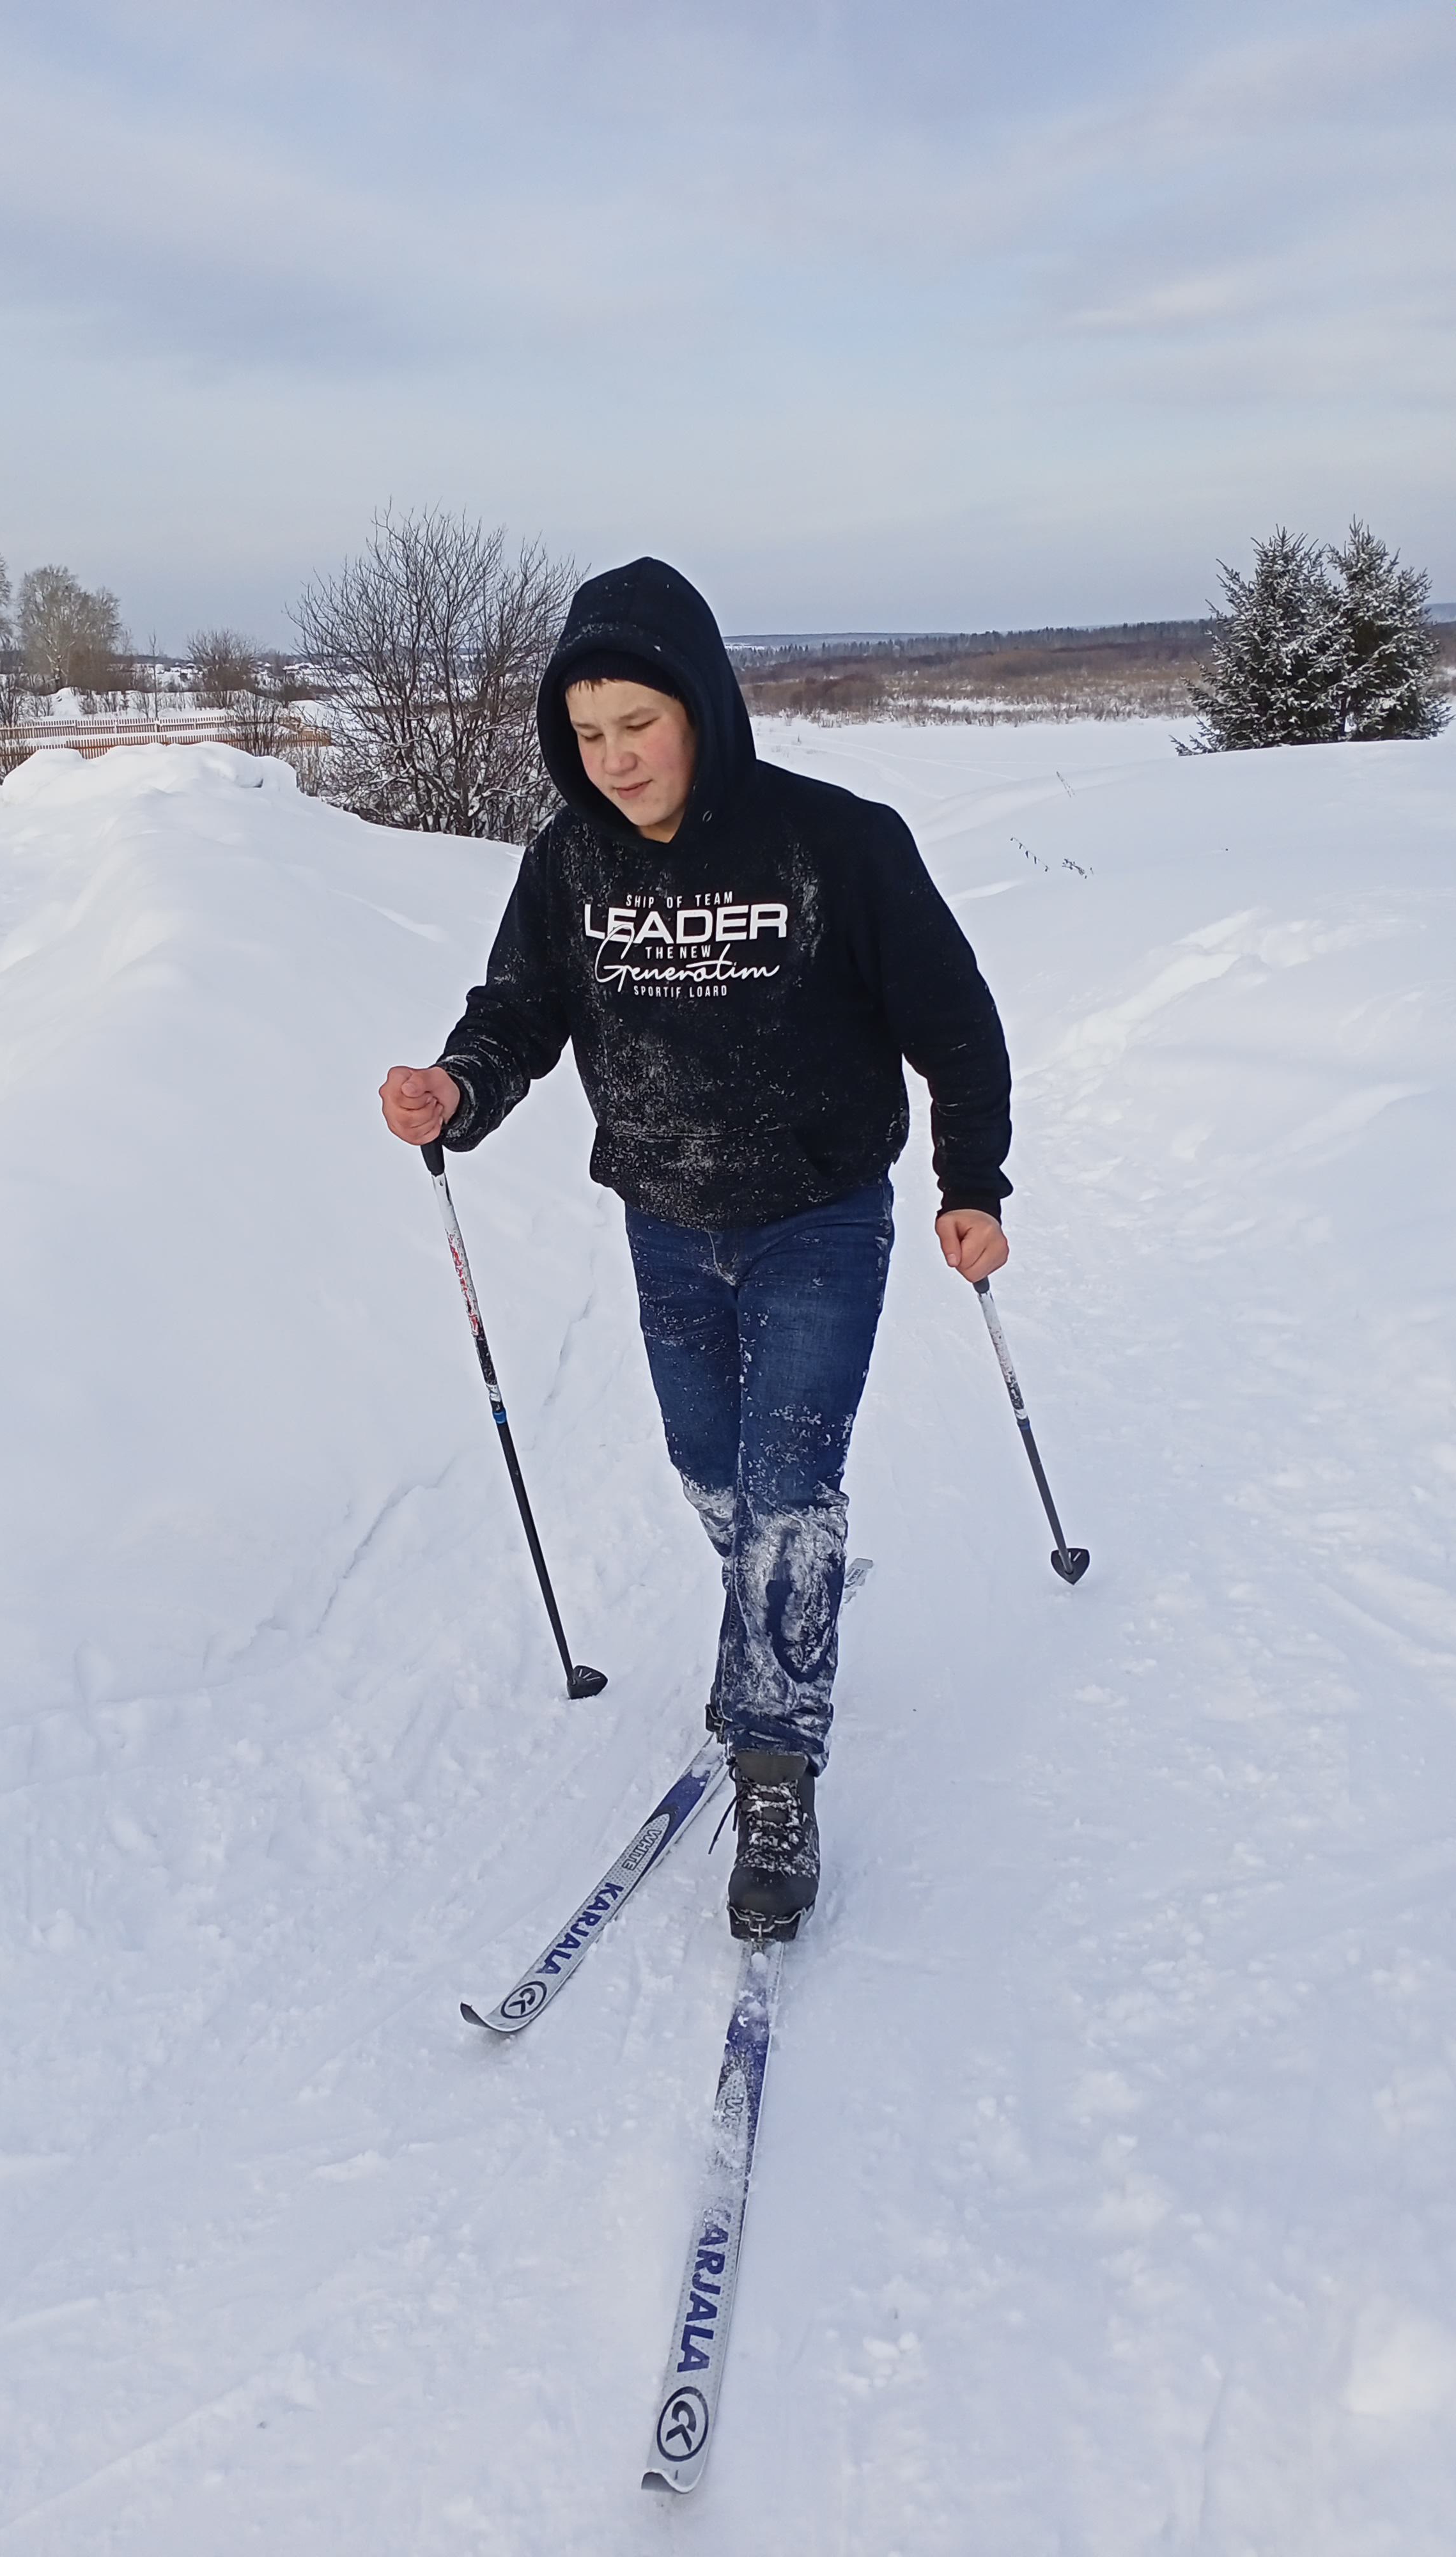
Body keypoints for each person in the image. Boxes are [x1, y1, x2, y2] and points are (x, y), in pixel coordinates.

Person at [380, 557, 1011, 1941]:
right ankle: (778, 1603)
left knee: (789, 1484)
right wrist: (459, 1087)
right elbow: (517, 1013)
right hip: (666, 1222)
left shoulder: (837, 842)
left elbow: (956, 1024)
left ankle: (777, 1758)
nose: (613, 760)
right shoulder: (567, 863)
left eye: (638, 726)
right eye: (588, 734)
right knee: (712, 1476)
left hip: (821, 1215)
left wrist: (974, 1180)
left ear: (704, 710)